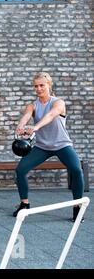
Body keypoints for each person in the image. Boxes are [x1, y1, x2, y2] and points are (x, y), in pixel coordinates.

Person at [14, 72, 85, 222]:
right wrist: (20, 126)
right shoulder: (33, 105)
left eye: (42, 85)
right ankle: (24, 204)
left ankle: (78, 207)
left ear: (49, 85)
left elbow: (51, 115)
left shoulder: (58, 102)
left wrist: (36, 127)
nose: (39, 89)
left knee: (77, 169)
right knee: (21, 170)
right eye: (36, 86)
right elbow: (26, 115)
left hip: (62, 144)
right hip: (42, 146)